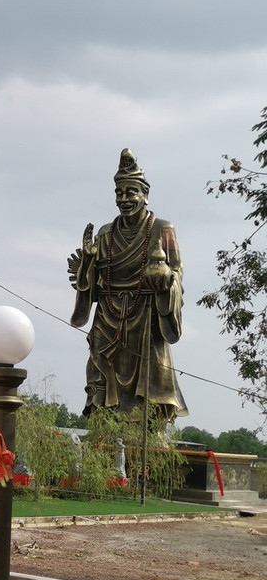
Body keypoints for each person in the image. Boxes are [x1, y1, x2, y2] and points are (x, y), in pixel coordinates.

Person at [68, 150, 187, 422]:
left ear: (145, 194)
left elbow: (177, 270)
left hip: (146, 313)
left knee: (152, 379)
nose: (124, 199)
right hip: (108, 316)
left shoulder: (162, 228)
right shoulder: (105, 233)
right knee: (100, 373)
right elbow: (92, 281)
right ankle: (104, 422)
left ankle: (150, 427)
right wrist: (87, 261)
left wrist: (164, 276)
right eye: (119, 193)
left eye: (131, 192)